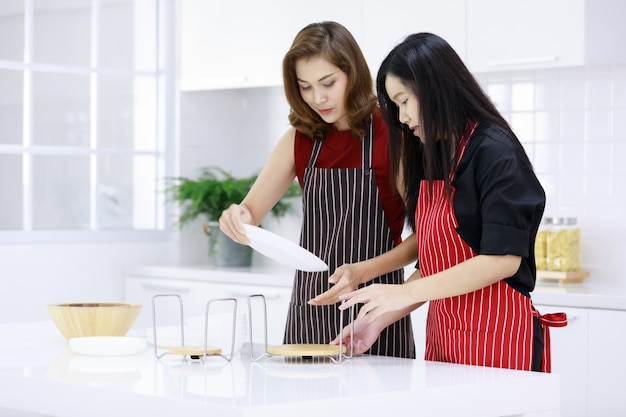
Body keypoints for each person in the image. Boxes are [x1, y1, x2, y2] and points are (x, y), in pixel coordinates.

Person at [310, 32, 566, 372]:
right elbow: (434, 267)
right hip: (446, 340)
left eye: (403, 101)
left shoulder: (495, 151)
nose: (400, 118)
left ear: (433, 88)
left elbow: (501, 260)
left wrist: (396, 293)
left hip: (499, 342)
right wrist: (376, 321)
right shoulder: (436, 154)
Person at [219, 21, 415, 359]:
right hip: (309, 309)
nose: (318, 98)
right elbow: (250, 212)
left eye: (328, 83)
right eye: (305, 87)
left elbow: (424, 240)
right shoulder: (299, 138)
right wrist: (236, 217)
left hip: (376, 310)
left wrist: (362, 272)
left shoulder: (392, 133)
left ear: (352, 73)